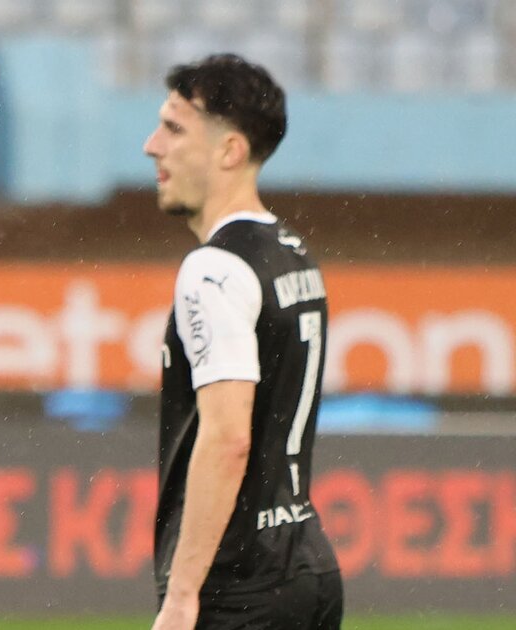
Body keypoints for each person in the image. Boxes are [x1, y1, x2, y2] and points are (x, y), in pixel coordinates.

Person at [143, 54, 342, 630]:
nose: (152, 146)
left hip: (240, 581)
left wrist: (182, 595)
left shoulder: (214, 268)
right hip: (307, 562)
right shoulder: (292, 253)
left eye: (174, 128)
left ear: (230, 150)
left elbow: (228, 438)